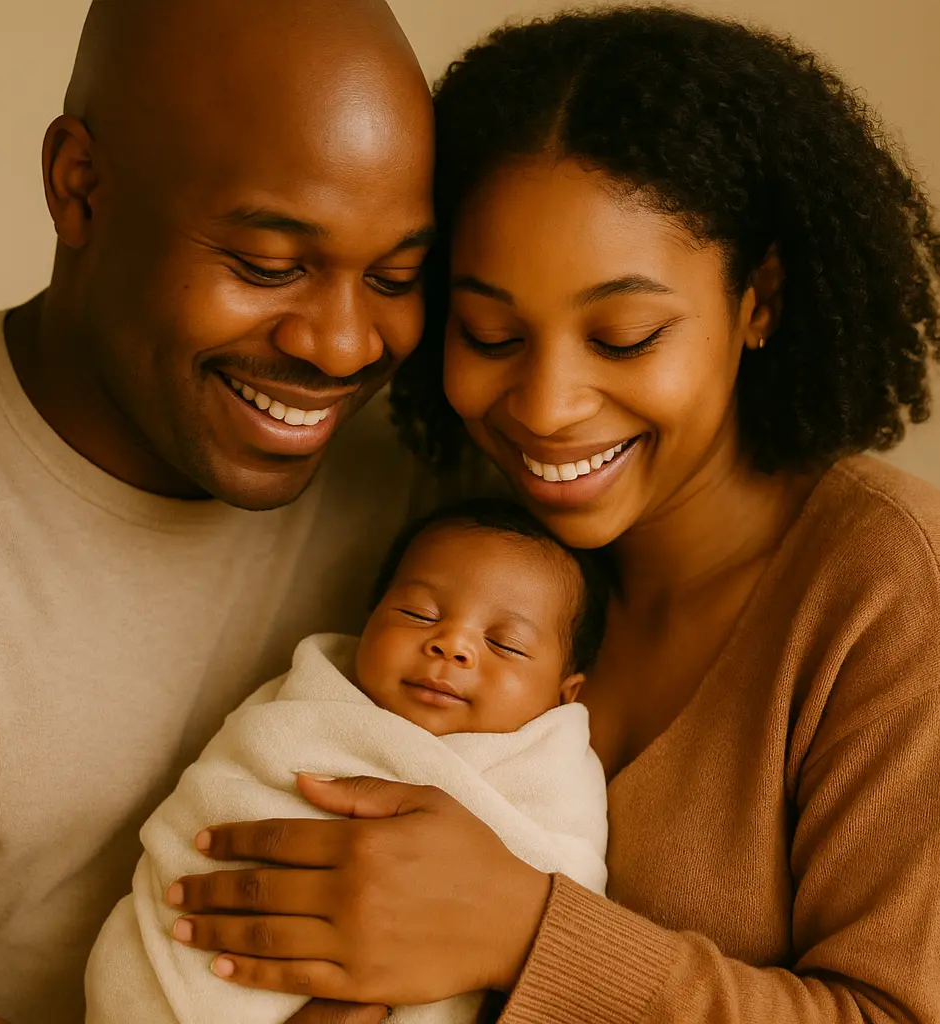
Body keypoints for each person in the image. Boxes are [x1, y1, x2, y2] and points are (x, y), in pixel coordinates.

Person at [161, 8, 940, 1023]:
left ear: (759, 299)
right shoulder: (454, 528)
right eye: (487, 333)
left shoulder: (887, 589)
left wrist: (524, 934)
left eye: (622, 337)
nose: (542, 406)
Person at [0, 0, 436, 1021]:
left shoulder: (428, 473)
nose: (340, 346)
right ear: (82, 186)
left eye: (393, 276)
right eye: (268, 265)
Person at [84, 499, 608, 1024]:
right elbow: (219, 799)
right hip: (198, 963)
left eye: (506, 644)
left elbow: (564, 908)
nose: (452, 645)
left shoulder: (553, 772)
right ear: (370, 620)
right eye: (419, 613)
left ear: (565, 695)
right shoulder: (307, 704)